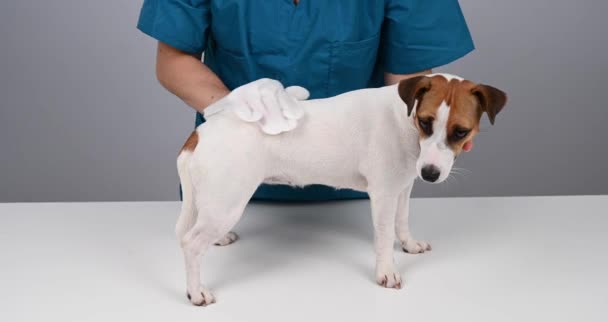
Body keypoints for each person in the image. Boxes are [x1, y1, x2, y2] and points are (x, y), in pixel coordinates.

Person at [137, 0, 475, 201]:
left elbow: (407, 88)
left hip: (361, 194)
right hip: (231, 186)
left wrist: (431, 131)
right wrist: (231, 107)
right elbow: (172, 61)